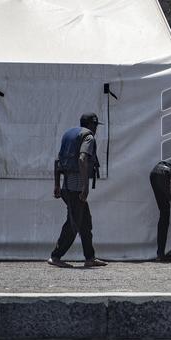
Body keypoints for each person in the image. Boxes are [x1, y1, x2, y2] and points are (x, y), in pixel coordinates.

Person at [50, 113, 107, 268]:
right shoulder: (88, 138)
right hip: (76, 189)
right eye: (95, 125)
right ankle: (55, 256)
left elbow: (58, 161)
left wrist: (57, 185)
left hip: (67, 187)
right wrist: (85, 186)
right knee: (73, 224)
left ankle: (90, 258)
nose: (96, 129)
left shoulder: (69, 135)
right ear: (92, 124)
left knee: (85, 223)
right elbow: (82, 159)